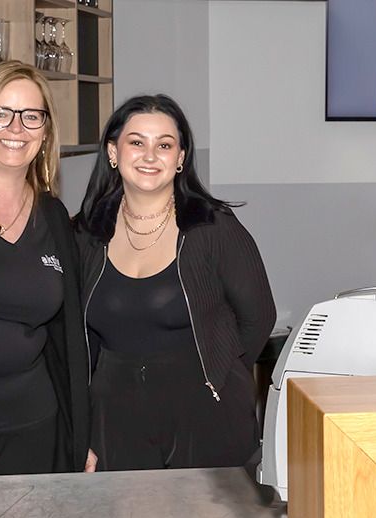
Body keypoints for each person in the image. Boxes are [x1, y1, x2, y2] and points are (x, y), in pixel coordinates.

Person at [73, 95, 277, 471]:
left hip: (205, 417)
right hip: (114, 419)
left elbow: (259, 317)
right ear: (113, 152)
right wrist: (81, 429)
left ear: (180, 158)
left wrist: (218, 374)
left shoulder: (213, 227)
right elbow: (78, 341)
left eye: (164, 145)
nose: (150, 156)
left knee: (207, 514)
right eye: (137, 142)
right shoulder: (86, 233)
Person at [0, 61, 88, 474]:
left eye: (31, 116)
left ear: (45, 132)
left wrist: (82, 435)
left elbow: (68, 336)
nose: (16, 128)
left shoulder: (53, 216)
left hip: (37, 423)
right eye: (1, 113)